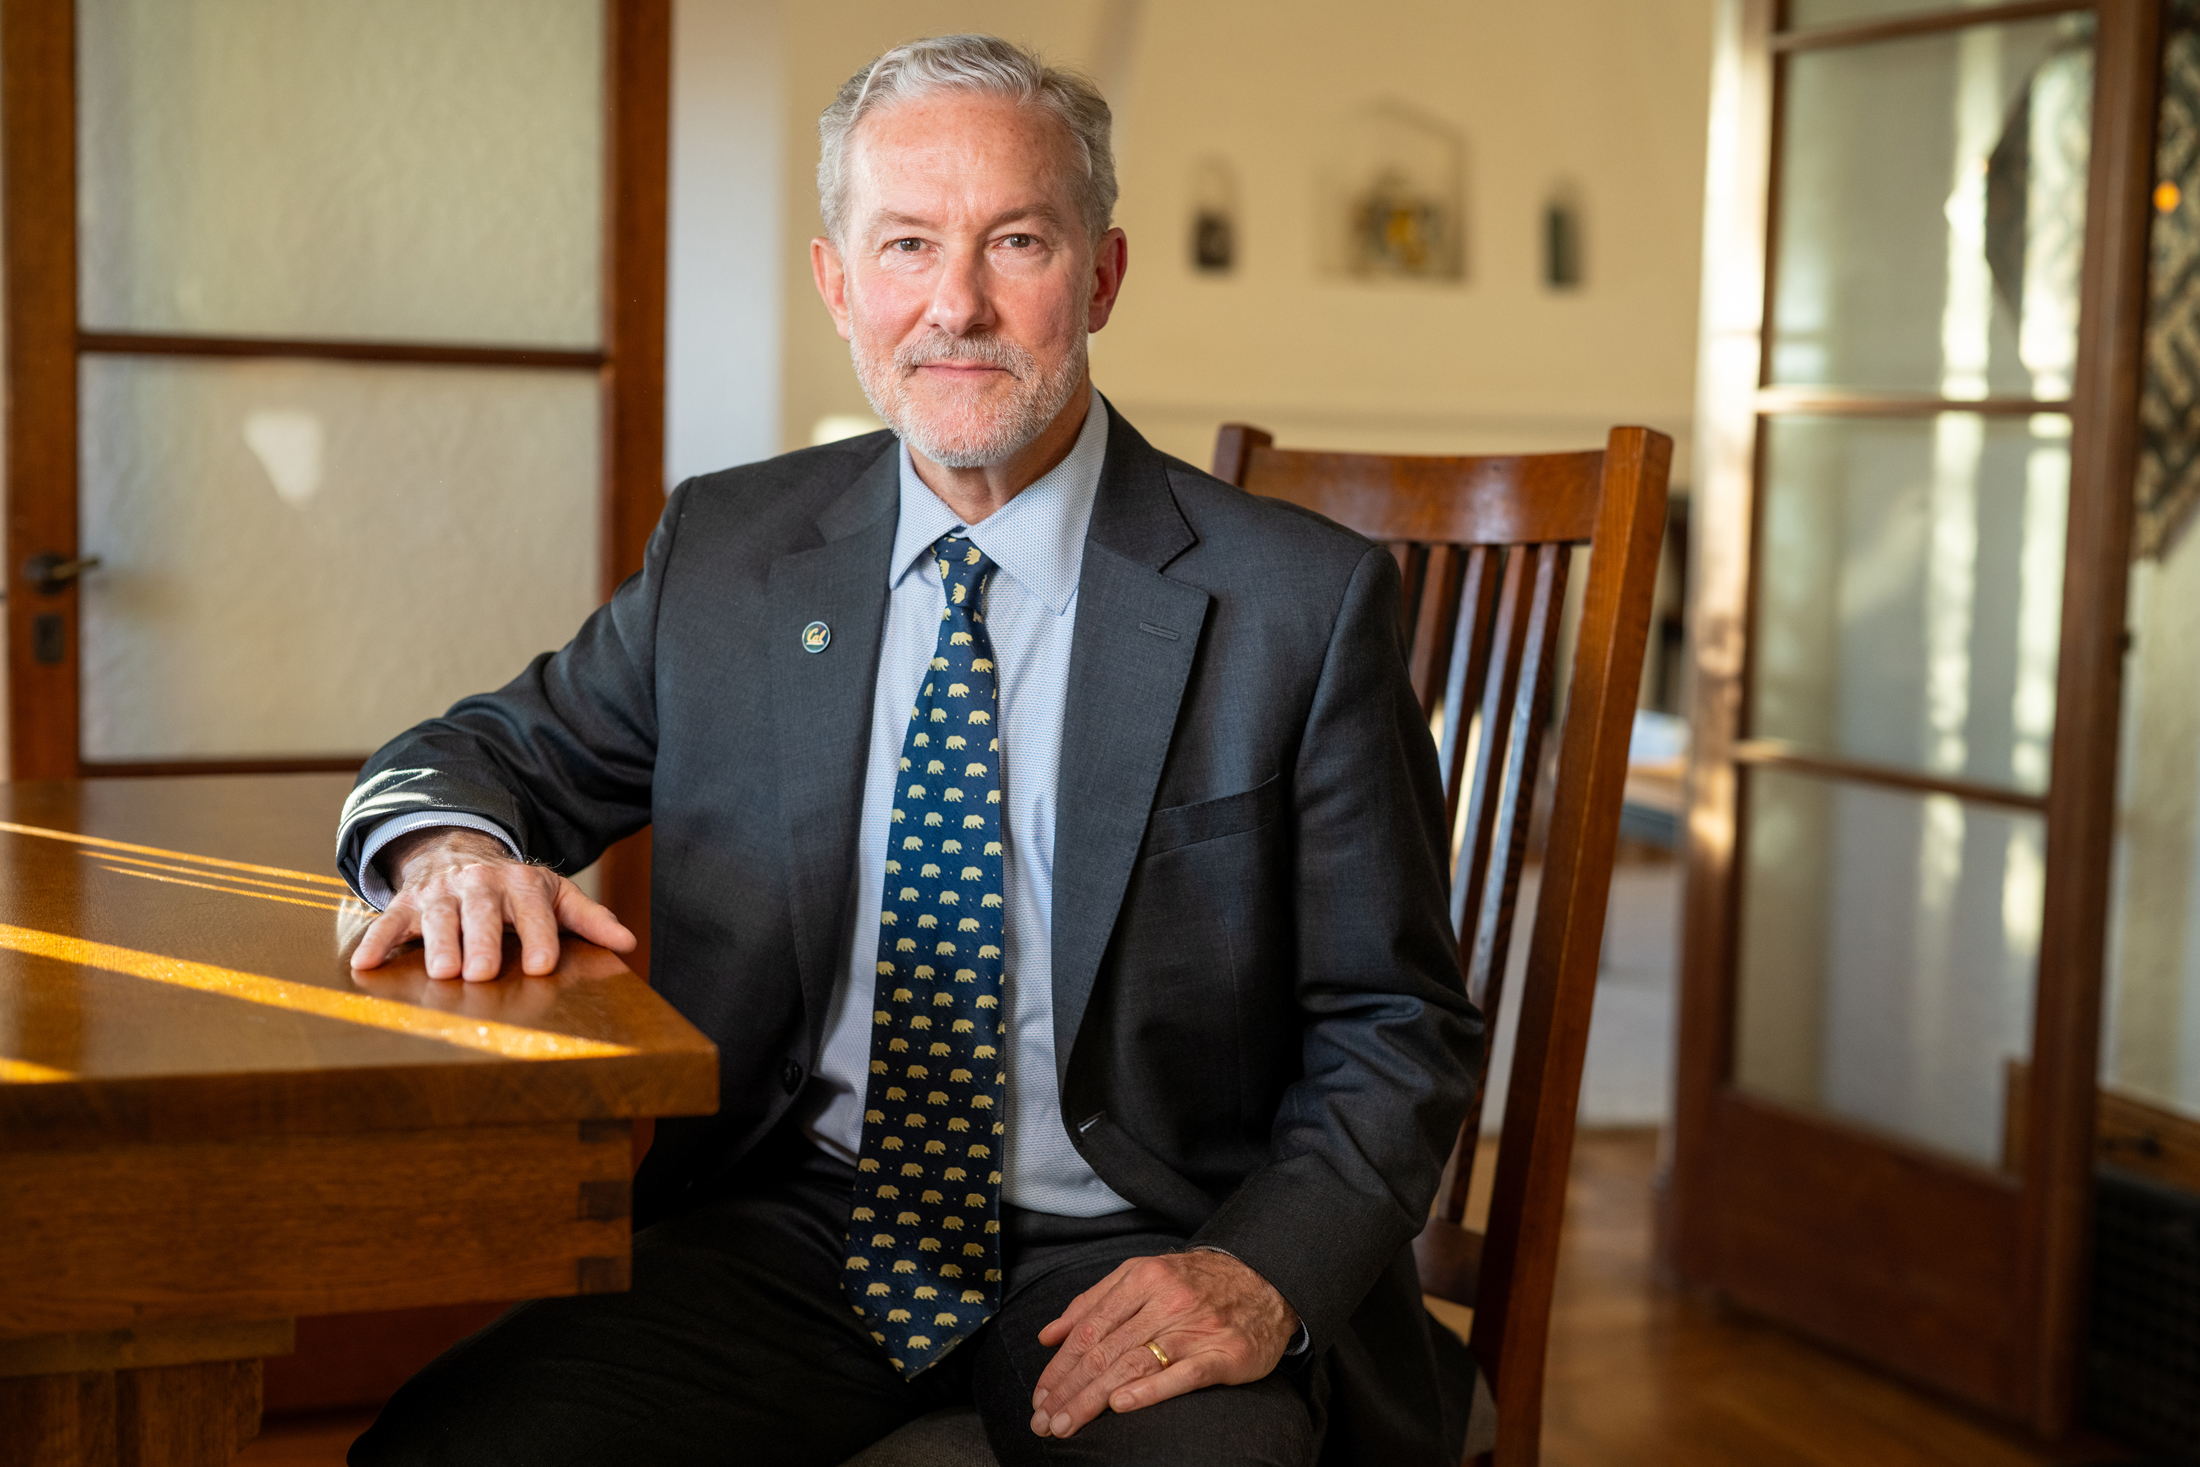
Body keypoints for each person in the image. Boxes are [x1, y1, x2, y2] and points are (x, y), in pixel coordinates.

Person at [339, 33, 1481, 1467]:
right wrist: (447, 853)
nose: (956, 304)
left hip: (1142, 1239)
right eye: (904, 246)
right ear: (836, 283)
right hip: (796, 1220)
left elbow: (1399, 1024)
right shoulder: (734, 554)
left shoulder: (1298, 606)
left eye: (1016, 241)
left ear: (1103, 275)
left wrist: (1257, 1273)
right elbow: (491, 753)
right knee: (449, 1454)